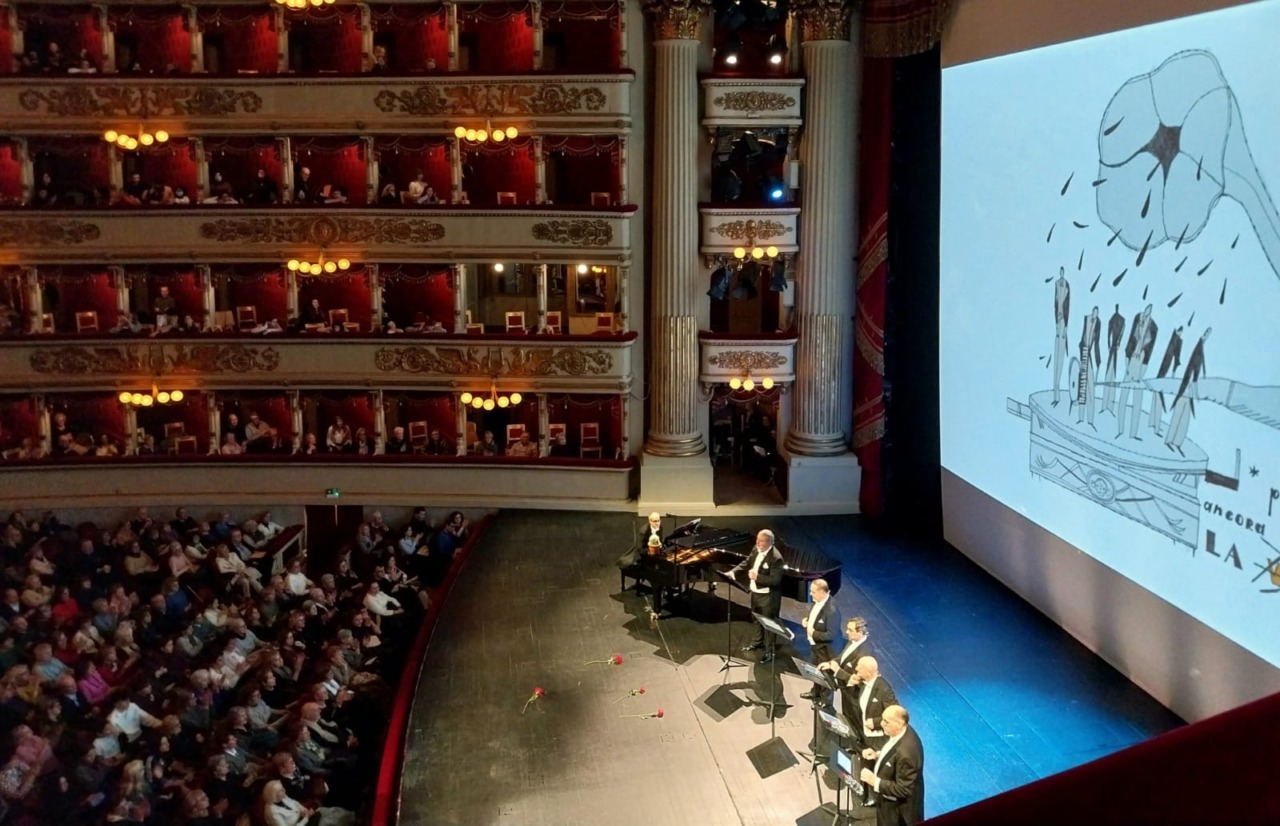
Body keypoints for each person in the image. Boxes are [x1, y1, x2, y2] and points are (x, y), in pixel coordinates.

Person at [859, 705, 924, 826]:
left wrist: (875, 781)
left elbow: (903, 789)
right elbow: (894, 754)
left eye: (886, 721)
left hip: (898, 813)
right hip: (888, 803)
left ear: (899, 724)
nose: (882, 724)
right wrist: (879, 755)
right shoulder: (902, 733)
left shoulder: (907, 753)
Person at [734, 529, 784, 662]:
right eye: (757, 539)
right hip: (756, 593)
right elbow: (747, 561)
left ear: (769, 542)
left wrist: (757, 577)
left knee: (768, 624)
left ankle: (769, 652)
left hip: (768, 598)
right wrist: (734, 571)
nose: (757, 542)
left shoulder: (776, 558)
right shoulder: (756, 549)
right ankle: (757, 642)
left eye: (761, 541)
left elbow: (775, 580)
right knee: (755, 618)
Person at [799, 578, 840, 702]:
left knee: (825, 675)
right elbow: (816, 617)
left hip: (826, 650)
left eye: (813, 592)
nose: (810, 594)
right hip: (815, 646)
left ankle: (825, 701)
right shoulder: (817, 601)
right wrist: (808, 620)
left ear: (822, 592)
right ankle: (815, 693)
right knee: (815, 671)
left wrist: (814, 633)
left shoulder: (832, 611)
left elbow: (831, 635)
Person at [848, 656, 898, 754]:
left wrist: (875, 723)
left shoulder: (884, 690)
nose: (856, 668)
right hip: (864, 734)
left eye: (860, 667)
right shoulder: (863, 682)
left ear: (869, 673)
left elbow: (895, 715)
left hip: (877, 740)